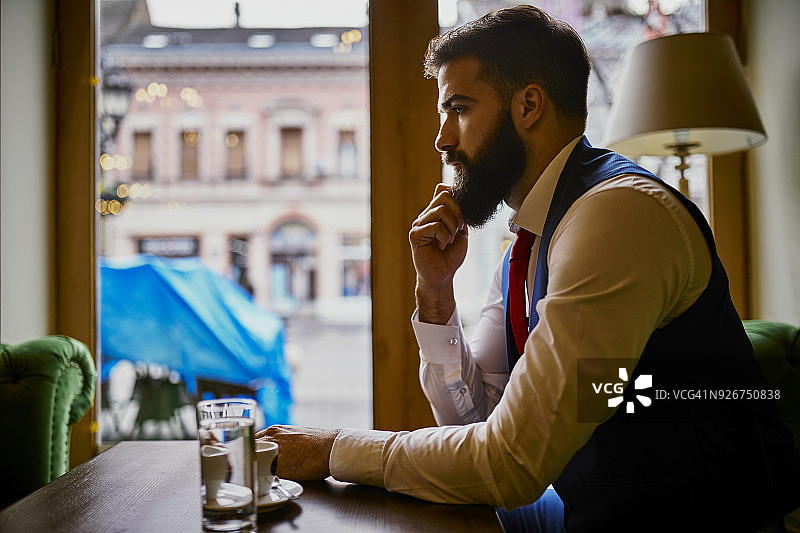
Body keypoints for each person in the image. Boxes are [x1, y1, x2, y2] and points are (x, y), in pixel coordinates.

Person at [257, 5, 800, 531]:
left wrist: (332, 450)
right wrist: (436, 294)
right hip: (592, 509)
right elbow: (475, 424)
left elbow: (511, 464)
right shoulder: (530, 241)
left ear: (529, 106)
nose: (442, 138)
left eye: (460, 108)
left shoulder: (618, 215)